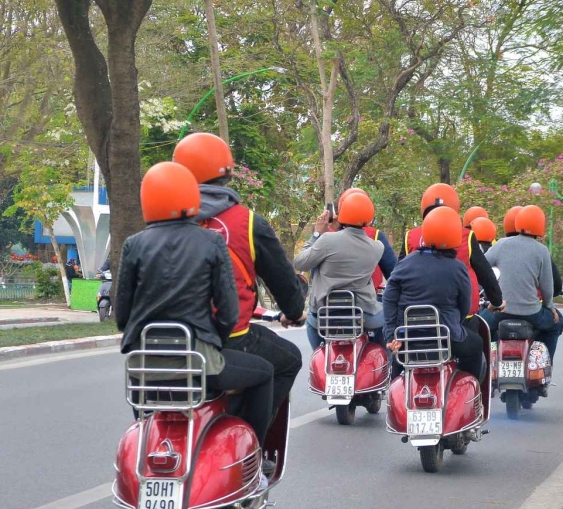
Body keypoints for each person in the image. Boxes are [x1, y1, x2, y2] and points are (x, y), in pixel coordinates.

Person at [114, 161, 275, 447]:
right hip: (201, 364)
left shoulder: (133, 244)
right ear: (192, 197)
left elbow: (122, 316)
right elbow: (228, 311)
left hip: (146, 367)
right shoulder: (211, 242)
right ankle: (257, 454)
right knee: (265, 373)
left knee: (146, 417)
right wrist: (218, 340)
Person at [173, 132, 306, 429]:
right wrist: (295, 312)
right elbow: (284, 284)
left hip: (169, 340)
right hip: (229, 339)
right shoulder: (247, 223)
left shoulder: (163, 222)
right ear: (227, 174)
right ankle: (251, 449)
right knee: (289, 359)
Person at [383, 206, 486, 379]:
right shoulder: (457, 268)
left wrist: (392, 334)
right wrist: (455, 324)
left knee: (397, 366)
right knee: (476, 344)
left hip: (408, 336)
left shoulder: (404, 264)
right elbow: (464, 306)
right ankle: (471, 388)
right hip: (446, 336)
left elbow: (389, 299)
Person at [293, 189, 387, 350]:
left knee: (311, 321)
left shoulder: (327, 240)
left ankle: (319, 352)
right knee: (388, 322)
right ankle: (385, 362)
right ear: (370, 219)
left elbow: (300, 263)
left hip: (324, 314)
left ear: (341, 215)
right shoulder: (377, 247)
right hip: (363, 314)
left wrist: (317, 234)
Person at [401, 182, 504, 315]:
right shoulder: (467, 236)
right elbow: (485, 274)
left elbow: (397, 276)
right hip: (460, 316)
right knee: (478, 336)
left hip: (417, 316)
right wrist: (497, 301)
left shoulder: (410, 236)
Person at [480, 205, 563, 364]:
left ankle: (486, 368)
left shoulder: (502, 244)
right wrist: (550, 306)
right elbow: (547, 286)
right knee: (557, 324)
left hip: (501, 310)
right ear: (540, 226)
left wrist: (492, 296)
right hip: (532, 313)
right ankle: (544, 364)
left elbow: (482, 266)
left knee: (478, 327)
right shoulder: (542, 250)